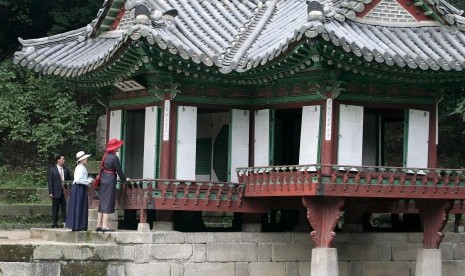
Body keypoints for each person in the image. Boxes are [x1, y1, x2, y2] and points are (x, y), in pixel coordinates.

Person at [96, 139, 126, 233]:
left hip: (103, 178)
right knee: (107, 201)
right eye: (117, 146)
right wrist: (124, 179)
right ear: (114, 148)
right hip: (109, 180)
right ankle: (104, 225)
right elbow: (119, 170)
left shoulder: (105, 156)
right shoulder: (114, 158)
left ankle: (99, 225)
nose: (119, 147)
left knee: (102, 201)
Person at [66, 151, 93, 231]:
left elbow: (82, 178)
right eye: (85, 158)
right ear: (81, 159)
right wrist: (88, 181)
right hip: (78, 188)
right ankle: (77, 225)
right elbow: (78, 180)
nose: (86, 159)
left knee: (81, 205)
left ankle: (80, 225)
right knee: (78, 205)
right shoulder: (79, 167)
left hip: (81, 188)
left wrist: (89, 180)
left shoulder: (82, 167)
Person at [47, 154, 70, 228]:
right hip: (56, 192)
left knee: (64, 208)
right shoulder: (52, 170)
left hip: (64, 192)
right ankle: (54, 223)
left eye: (64, 159)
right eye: (62, 159)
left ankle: (65, 222)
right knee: (55, 208)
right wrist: (51, 192)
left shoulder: (66, 170)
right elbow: (50, 182)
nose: (64, 160)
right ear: (58, 160)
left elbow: (68, 181)